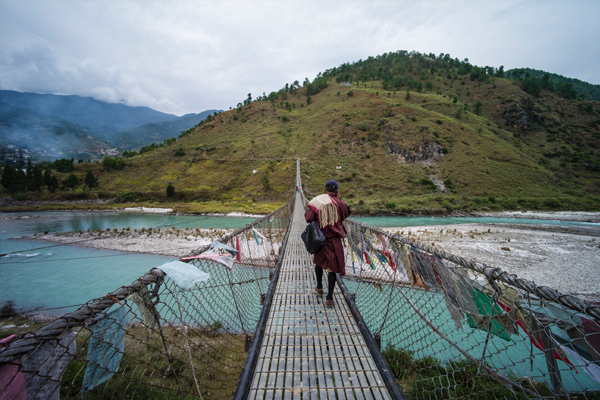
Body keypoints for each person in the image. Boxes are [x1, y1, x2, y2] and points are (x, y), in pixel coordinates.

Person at [304, 180, 352, 308]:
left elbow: (308, 218)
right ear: (337, 192)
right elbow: (347, 212)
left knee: (319, 263)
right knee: (333, 269)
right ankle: (329, 298)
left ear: (325, 190)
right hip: (335, 240)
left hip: (320, 239)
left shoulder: (317, 202)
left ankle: (319, 287)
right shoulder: (341, 204)